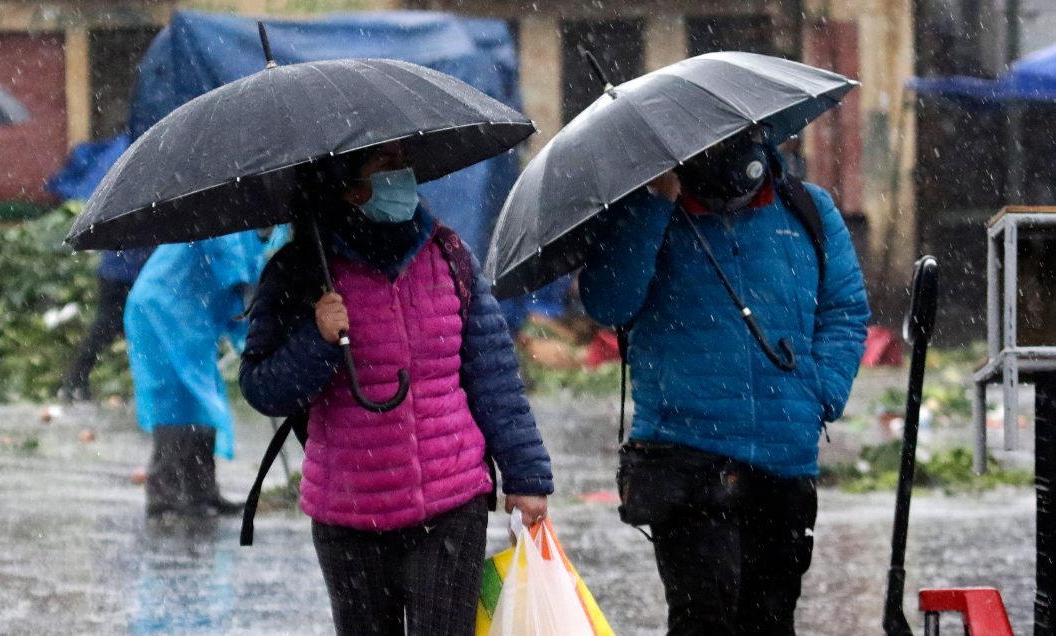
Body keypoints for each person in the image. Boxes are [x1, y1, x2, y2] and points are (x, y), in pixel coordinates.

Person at [238, 141, 553, 636]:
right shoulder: (303, 272)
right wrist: (318, 340)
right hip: (348, 512)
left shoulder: (449, 257)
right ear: (346, 184)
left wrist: (527, 477)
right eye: (384, 162)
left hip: (450, 505)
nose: (401, 172)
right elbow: (262, 389)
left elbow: (493, 378)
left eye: (404, 160)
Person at [578, 129, 870, 635]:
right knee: (702, 620)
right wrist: (654, 206)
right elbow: (608, 303)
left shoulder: (808, 208)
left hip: (784, 458)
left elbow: (845, 310)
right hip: (684, 457)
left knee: (770, 621)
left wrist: (820, 392)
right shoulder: (650, 210)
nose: (727, 149)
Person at [125, 229, 273, 517]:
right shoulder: (226, 218)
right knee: (174, 402)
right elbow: (233, 269)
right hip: (162, 309)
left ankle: (201, 492)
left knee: (200, 404)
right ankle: (165, 494)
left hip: (189, 313)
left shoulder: (244, 225)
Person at [60, 247, 153, 401]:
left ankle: (76, 380)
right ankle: (76, 380)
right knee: (107, 329)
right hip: (127, 275)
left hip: (117, 272)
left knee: (106, 329)